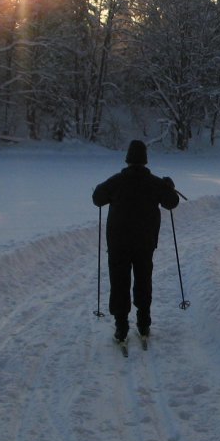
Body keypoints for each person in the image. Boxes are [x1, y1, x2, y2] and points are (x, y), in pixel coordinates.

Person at [92, 140, 181, 343]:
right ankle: (144, 324)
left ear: (128, 159)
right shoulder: (155, 183)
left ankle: (121, 327)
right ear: (145, 160)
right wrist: (169, 186)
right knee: (143, 280)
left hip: (118, 243)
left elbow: (97, 199)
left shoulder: (116, 181)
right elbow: (172, 202)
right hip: (145, 242)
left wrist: (100, 187)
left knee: (119, 281)